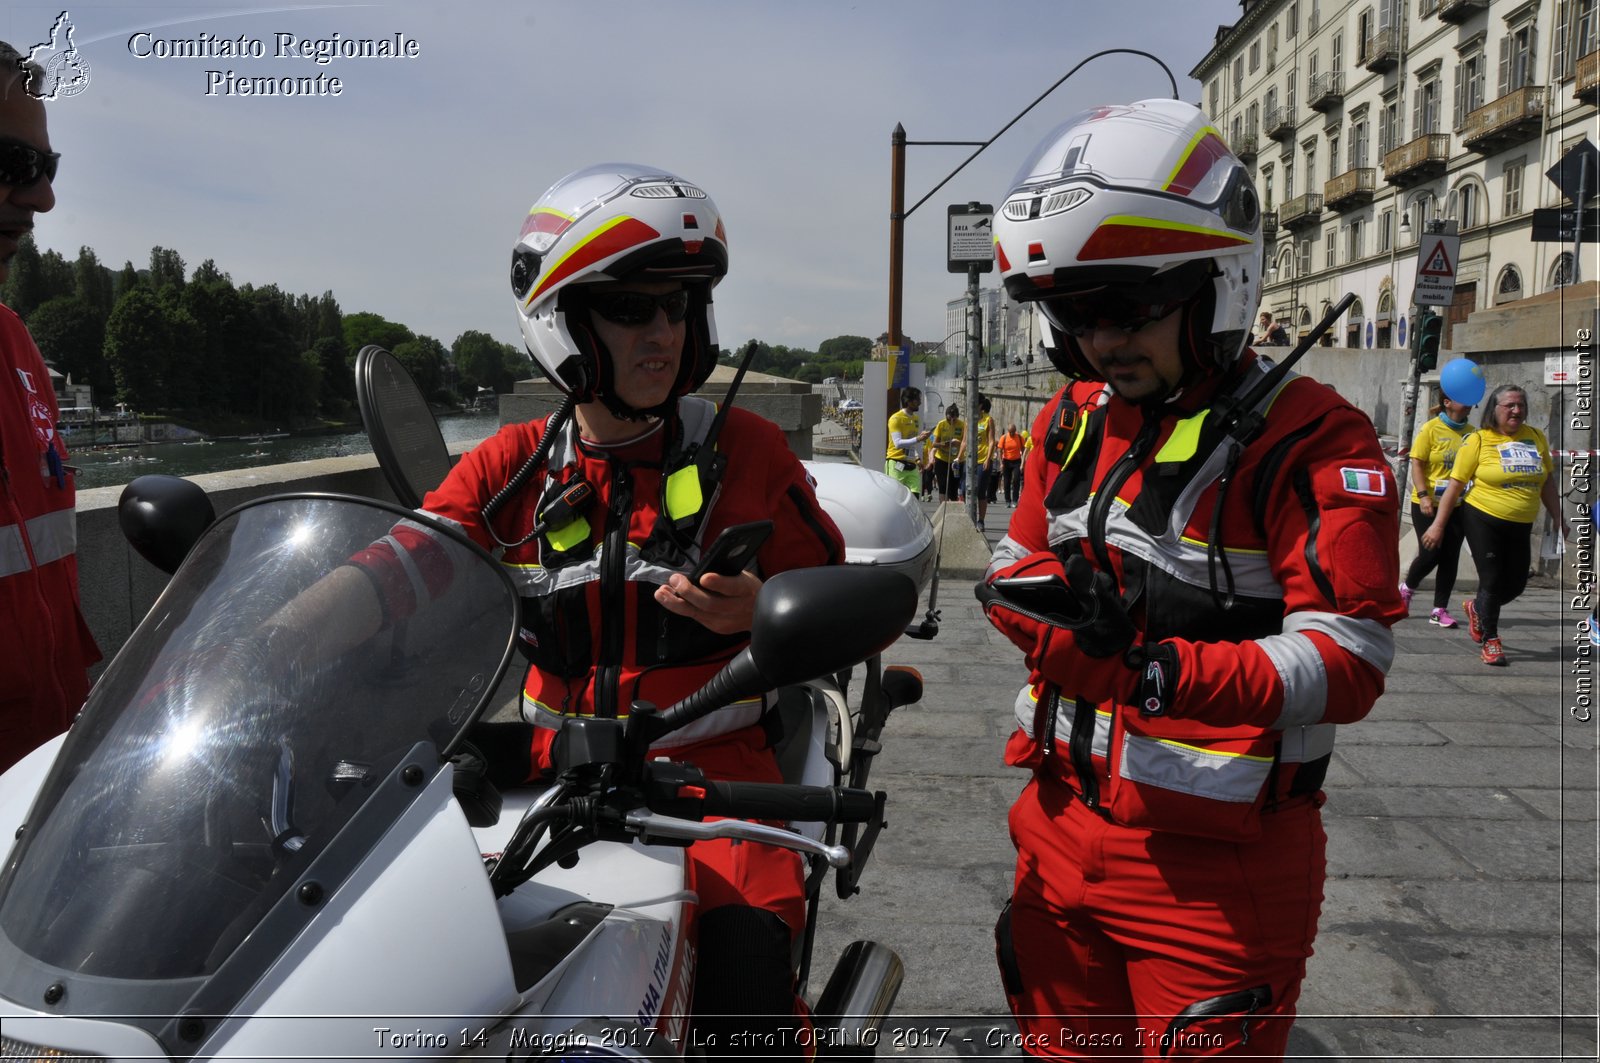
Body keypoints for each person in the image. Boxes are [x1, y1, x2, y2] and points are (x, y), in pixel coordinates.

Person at [314, 164, 844, 1046]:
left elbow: (832, 589)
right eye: (633, 307)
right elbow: (390, 572)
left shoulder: (747, 451)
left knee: (747, 986)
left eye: (679, 307)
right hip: (546, 777)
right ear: (563, 321)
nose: (664, 333)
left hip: (709, 782)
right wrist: (267, 639)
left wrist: (761, 609)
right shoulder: (511, 464)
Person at [981, 98, 1403, 1058]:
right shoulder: (1073, 418)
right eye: (1075, 311)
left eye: (1128, 306)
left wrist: (1158, 670)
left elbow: (1351, 654)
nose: (1100, 340)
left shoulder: (1311, 435)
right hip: (1052, 826)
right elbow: (1014, 560)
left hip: (1215, 876)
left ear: (1219, 283)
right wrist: (1067, 623)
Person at [0, 42, 99, 773]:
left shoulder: (17, 347)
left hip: (46, 790)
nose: (43, 198)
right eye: (13, 166)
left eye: (48, 168)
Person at [1422, 383, 1567, 666]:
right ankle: (1491, 640)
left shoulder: (1535, 437)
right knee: (1491, 578)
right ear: (1494, 409)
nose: (1516, 410)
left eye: (1521, 405)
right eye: (1510, 405)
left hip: (1521, 522)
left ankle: (1477, 608)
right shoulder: (1478, 440)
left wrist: (1559, 517)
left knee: (1514, 584)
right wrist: (1438, 525)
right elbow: (1455, 486)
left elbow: (1547, 482)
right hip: (1482, 518)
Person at [1400, 395, 1475, 627]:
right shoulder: (1430, 429)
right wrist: (1423, 495)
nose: (1468, 402)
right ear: (1447, 402)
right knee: (1431, 553)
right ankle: (1406, 590)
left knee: (1450, 556)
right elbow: (1417, 464)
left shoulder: (1473, 434)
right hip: (1428, 503)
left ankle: (1439, 609)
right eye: (1462, 397)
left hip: (1457, 505)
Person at [885, 385, 930, 494]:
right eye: (917, 400)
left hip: (911, 463)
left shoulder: (916, 419)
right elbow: (898, 443)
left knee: (916, 493)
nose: (920, 402)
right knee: (895, 495)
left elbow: (911, 443)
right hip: (896, 463)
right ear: (908, 401)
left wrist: (917, 459)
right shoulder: (896, 419)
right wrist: (918, 438)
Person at [930, 402, 965, 501]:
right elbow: (934, 444)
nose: (951, 422)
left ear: (957, 417)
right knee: (943, 486)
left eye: (953, 420)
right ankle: (942, 509)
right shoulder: (941, 424)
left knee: (953, 488)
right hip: (942, 459)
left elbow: (965, 442)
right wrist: (945, 444)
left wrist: (958, 443)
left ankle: (952, 509)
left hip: (956, 461)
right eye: (948, 419)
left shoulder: (962, 425)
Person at [972, 395, 997, 530]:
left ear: (981, 405)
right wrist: (958, 457)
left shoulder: (988, 420)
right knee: (965, 489)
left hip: (983, 460)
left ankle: (981, 520)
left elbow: (992, 440)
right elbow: (965, 440)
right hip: (970, 459)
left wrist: (988, 459)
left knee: (981, 491)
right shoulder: (969, 419)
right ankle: (968, 517)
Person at [998, 422, 1026, 506]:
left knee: (1016, 480)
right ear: (1008, 431)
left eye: (1013, 432)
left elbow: (1023, 449)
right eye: (1010, 432)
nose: (1012, 433)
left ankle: (1015, 500)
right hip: (1006, 461)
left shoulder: (1020, 438)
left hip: (1017, 461)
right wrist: (1001, 463)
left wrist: (1022, 462)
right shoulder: (1004, 437)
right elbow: (999, 451)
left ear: (1015, 431)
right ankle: (1007, 500)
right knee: (1006, 481)